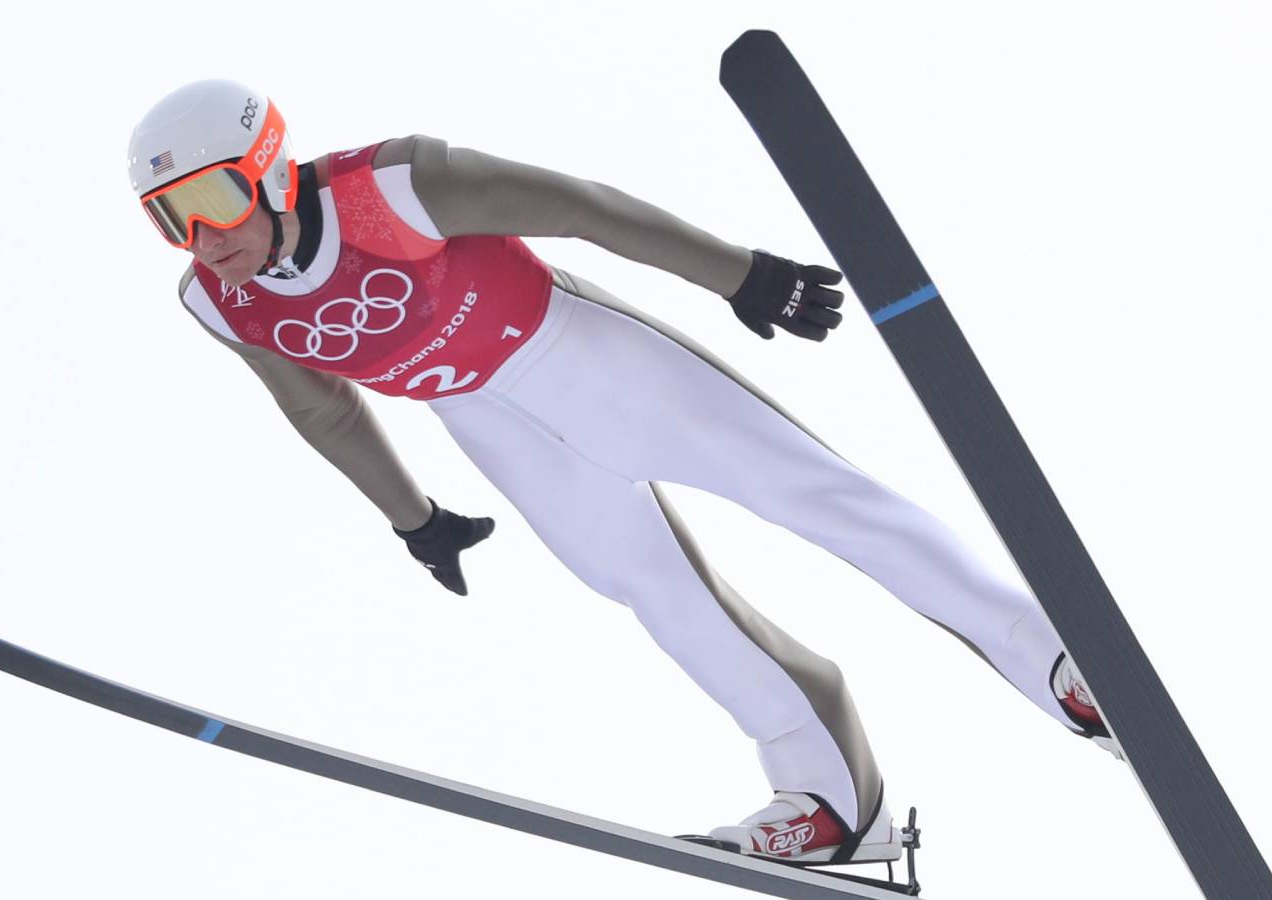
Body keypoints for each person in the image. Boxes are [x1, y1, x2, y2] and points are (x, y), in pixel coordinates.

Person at [127, 78, 1112, 866]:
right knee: (656, 594)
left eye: (214, 198)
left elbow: (573, 208)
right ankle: (830, 800)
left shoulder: (390, 188)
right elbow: (318, 403)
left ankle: (1059, 665)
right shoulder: (219, 303)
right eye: (173, 219)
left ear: (267, 167)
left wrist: (736, 273)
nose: (207, 238)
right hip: (491, 425)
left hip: (588, 358)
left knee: (819, 501)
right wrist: (412, 516)